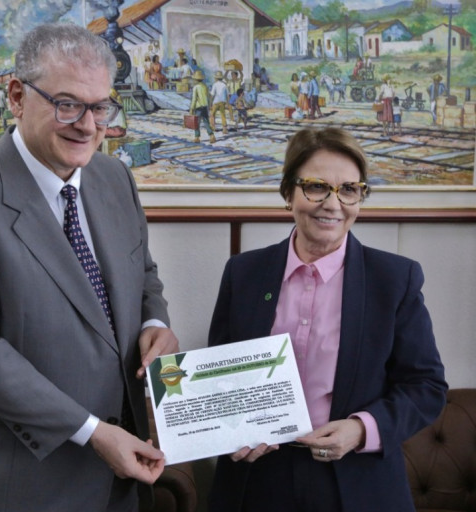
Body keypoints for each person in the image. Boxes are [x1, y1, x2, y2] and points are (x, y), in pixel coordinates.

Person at [0, 23, 180, 512]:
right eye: (67, 104)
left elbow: (143, 275)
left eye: (100, 106)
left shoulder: (115, 176)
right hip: (19, 478)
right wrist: (93, 432)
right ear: (17, 96)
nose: (88, 125)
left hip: (120, 469)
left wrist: (154, 322)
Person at [207, 127, 447, 512]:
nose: (333, 204)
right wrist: (230, 426)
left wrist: (361, 429)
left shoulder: (394, 279)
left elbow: (426, 386)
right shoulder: (243, 273)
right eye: (317, 187)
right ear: (288, 193)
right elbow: (219, 375)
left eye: (349, 190)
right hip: (256, 478)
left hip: (356, 480)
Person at [189, 69, 216, 143]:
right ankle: (212, 135)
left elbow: (194, 99)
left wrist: (192, 108)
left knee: (196, 123)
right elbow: (209, 96)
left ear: (195, 79)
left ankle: (197, 137)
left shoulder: (195, 87)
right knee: (206, 122)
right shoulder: (205, 86)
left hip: (198, 108)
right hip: (205, 107)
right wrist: (210, 104)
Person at [210, 70, 229, 135]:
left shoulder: (215, 84)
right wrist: (227, 103)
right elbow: (227, 95)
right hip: (222, 102)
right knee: (223, 115)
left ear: (216, 78)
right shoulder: (224, 85)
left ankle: (213, 127)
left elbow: (212, 94)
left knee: (212, 114)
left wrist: (210, 102)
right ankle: (224, 129)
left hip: (216, 101)